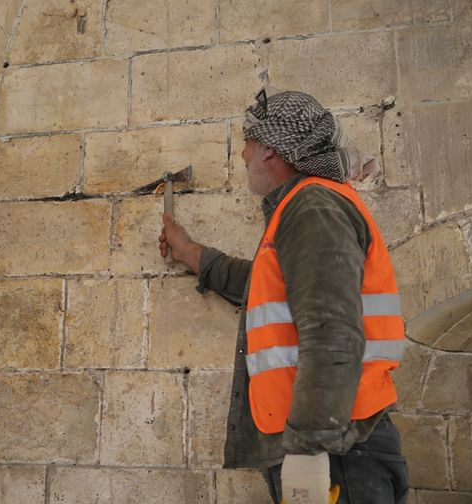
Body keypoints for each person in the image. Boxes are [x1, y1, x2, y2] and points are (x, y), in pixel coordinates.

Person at [159, 89, 408, 504]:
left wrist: (309, 450)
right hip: (337, 445)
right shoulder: (305, 207)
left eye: (248, 143)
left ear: (272, 150)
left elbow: (332, 333)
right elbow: (262, 285)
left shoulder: (312, 208)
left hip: (336, 451)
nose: (242, 156)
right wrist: (191, 253)